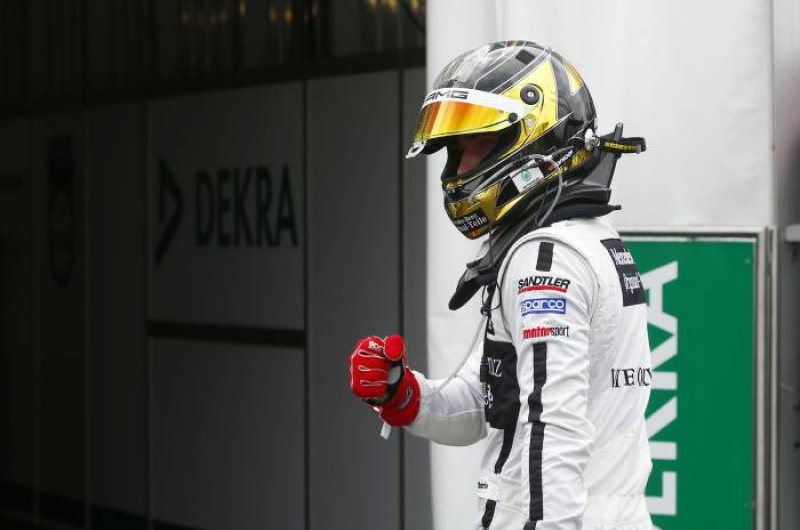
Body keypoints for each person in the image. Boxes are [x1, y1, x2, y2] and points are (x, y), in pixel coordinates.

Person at [349, 40, 653, 530]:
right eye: (455, 150)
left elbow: (555, 427)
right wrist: (403, 394)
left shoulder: (546, 259)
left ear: (534, 140)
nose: (460, 169)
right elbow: (491, 402)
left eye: (479, 145)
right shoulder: (585, 240)